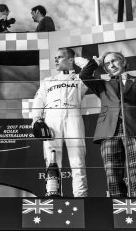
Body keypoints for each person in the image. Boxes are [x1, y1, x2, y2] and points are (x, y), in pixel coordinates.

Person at [75, 53, 136, 197]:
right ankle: (118, 212)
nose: (111, 66)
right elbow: (84, 75)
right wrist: (96, 62)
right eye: (107, 64)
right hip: (109, 131)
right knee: (113, 177)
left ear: (124, 62)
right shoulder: (103, 84)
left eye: (113, 61)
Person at [31, 48, 87, 197]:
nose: (55, 60)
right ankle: (53, 194)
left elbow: (89, 67)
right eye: (55, 57)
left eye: (60, 57)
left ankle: (81, 197)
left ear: (70, 60)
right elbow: (38, 100)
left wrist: (74, 60)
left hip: (73, 115)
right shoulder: (48, 81)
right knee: (52, 159)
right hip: (52, 118)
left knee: (78, 160)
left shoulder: (81, 78)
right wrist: (36, 120)